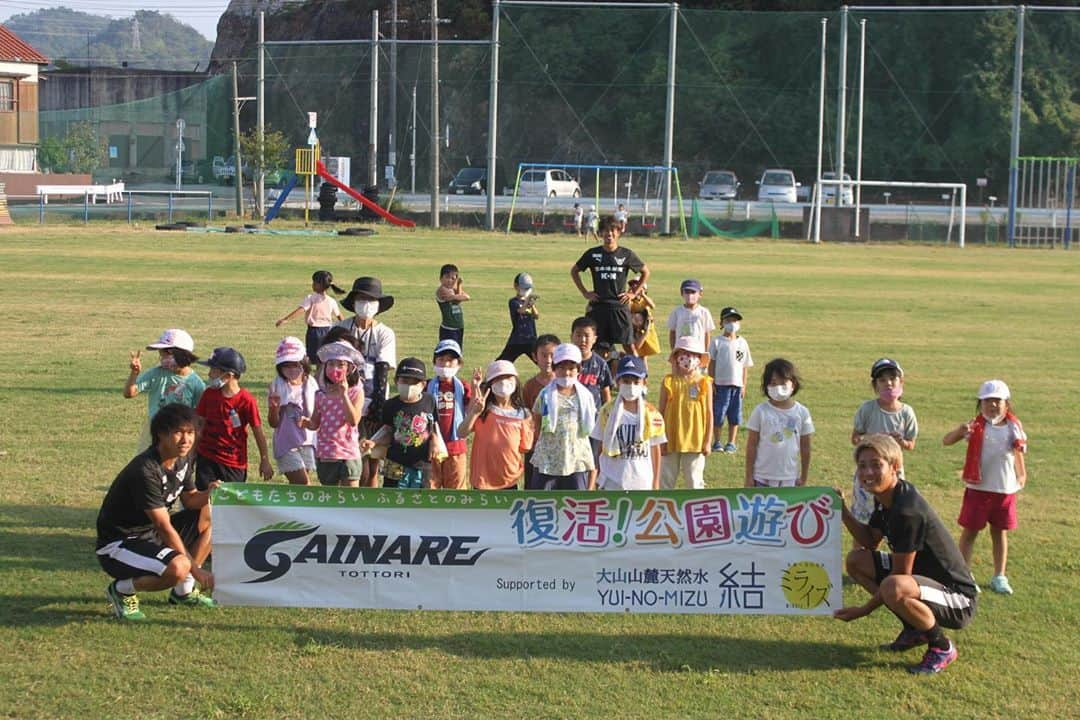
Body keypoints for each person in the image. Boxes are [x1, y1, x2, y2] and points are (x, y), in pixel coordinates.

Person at [834, 434, 977, 675]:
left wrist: (863, 610)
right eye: (862, 466)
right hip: (922, 582)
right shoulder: (886, 497)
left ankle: (941, 646)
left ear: (895, 467)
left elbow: (899, 577)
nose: (868, 472)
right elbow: (869, 541)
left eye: (876, 464)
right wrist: (843, 511)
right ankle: (914, 629)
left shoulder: (907, 510)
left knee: (894, 586)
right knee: (856, 561)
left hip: (957, 597)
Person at [96, 403, 217, 621]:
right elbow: (163, 525)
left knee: (211, 514)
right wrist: (196, 571)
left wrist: (211, 493)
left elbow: (190, 500)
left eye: (190, 432)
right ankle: (122, 589)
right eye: (178, 432)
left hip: (151, 534)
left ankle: (183, 592)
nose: (186, 439)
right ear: (161, 434)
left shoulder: (184, 458)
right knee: (179, 567)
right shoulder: (145, 469)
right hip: (120, 543)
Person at [942, 379, 1027, 595]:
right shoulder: (976, 427)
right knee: (970, 533)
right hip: (978, 490)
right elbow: (946, 441)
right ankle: (963, 575)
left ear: (1006, 403)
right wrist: (960, 431)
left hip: (1004, 490)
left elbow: (1017, 453)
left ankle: (1000, 575)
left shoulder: (1013, 428)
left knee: (1000, 533)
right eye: (987, 401)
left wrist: (1021, 474)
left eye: (997, 401)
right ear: (980, 404)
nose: (993, 406)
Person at [335, 276, 396, 487]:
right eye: (361, 299)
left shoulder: (384, 333)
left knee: (372, 463)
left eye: (371, 300)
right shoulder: (342, 328)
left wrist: (378, 407)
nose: (366, 304)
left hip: (375, 398)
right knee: (354, 461)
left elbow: (383, 368)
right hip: (348, 398)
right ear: (353, 302)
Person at [849, 358, 919, 523]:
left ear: (901, 382)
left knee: (893, 518)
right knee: (864, 519)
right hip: (868, 470)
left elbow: (911, 444)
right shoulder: (867, 409)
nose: (888, 383)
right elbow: (855, 438)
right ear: (875, 386)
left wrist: (901, 442)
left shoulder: (906, 412)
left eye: (893, 379)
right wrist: (869, 440)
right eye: (882, 380)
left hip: (894, 471)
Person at [194, 347, 273, 489]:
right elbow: (199, 424)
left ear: (228, 376)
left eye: (214, 370)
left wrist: (265, 460)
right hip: (206, 458)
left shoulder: (246, 400)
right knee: (205, 502)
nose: (209, 374)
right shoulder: (208, 394)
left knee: (231, 505)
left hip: (233, 463)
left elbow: (258, 431)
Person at [571, 215, 650, 352]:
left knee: (629, 346)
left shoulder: (626, 254)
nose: (609, 234)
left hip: (619, 307)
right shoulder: (593, 254)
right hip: (598, 307)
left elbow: (645, 272)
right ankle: (594, 373)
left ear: (618, 233)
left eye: (613, 230)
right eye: (606, 230)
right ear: (601, 233)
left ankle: (639, 373)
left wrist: (633, 293)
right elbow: (574, 271)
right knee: (595, 347)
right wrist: (585, 292)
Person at [361, 357, 443, 489]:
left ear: (423, 385)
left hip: (421, 464)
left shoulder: (429, 401)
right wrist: (374, 442)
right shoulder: (390, 405)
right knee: (392, 498)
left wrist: (435, 442)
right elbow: (387, 430)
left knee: (419, 500)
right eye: (405, 381)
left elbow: (433, 427)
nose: (409, 386)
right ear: (396, 381)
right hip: (394, 463)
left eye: (414, 382)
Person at [591, 355, 666, 490]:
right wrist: (597, 476)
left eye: (636, 381)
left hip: (641, 481)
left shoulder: (652, 414)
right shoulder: (607, 412)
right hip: (612, 481)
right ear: (617, 381)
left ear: (644, 383)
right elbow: (600, 447)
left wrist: (655, 482)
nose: (631, 386)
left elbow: (655, 449)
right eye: (626, 381)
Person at [124, 328, 205, 450]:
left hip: (181, 437)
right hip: (156, 433)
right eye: (161, 355)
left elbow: (200, 416)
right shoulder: (156, 373)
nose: (162, 359)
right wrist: (134, 373)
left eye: (165, 355)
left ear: (180, 354)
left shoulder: (196, 384)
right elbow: (129, 393)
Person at [459, 360, 534, 491]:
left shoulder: (523, 414)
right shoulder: (483, 411)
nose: (504, 382)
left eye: (508, 377)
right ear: (490, 384)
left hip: (509, 480)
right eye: (498, 378)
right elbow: (462, 432)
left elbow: (525, 447)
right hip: (483, 480)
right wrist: (475, 412)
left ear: (516, 381)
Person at [530, 343, 596, 490]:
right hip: (549, 458)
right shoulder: (545, 395)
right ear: (554, 369)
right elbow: (537, 421)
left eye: (571, 368)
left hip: (576, 458)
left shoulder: (586, 397)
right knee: (544, 502)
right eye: (561, 368)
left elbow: (590, 425)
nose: (566, 373)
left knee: (575, 505)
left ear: (578, 370)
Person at [744, 358, 813, 488]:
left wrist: (804, 476)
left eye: (783, 383)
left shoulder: (802, 412)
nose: (778, 388)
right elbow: (751, 445)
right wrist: (749, 476)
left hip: (789, 478)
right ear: (766, 385)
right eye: (774, 383)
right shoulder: (760, 411)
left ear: (793, 384)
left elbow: (805, 447)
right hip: (761, 477)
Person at [306, 340, 366, 487]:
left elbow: (353, 421)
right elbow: (315, 423)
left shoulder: (356, 392)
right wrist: (304, 422)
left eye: (341, 365)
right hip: (326, 454)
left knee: (350, 500)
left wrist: (344, 395)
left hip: (348, 454)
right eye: (331, 364)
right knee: (329, 500)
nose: (335, 369)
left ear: (350, 368)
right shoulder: (320, 395)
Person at [658, 336, 713, 489]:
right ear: (676, 358)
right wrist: (659, 440)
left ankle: (696, 511)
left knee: (694, 480)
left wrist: (707, 441)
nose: (687, 358)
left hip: (695, 441)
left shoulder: (704, 382)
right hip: (670, 439)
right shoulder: (668, 381)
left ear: (699, 359)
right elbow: (660, 411)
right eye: (683, 353)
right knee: (665, 480)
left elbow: (709, 413)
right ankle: (664, 509)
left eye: (692, 354)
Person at [266, 336, 318, 485]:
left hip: (307, 441)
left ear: (303, 363)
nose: (291, 370)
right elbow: (273, 423)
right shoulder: (277, 386)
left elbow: (316, 414)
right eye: (285, 366)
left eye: (295, 365)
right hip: (286, 443)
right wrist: (274, 409)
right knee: (303, 484)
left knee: (299, 487)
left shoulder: (311, 383)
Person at [572, 316, 615, 488]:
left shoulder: (600, 364)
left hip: (594, 422)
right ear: (571, 336)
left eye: (587, 336)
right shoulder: (566, 363)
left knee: (593, 457)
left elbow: (606, 394)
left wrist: (607, 420)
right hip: (571, 421)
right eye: (578, 335)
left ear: (594, 339)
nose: (582, 340)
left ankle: (590, 489)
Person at [426, 339, 472, 490]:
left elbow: (473, 409)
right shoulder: (427, 386)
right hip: (431, 446)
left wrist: (477, 388)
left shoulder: (463, 387)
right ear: (434, 362)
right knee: (430, 487)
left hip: (455, 446)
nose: (445, 365)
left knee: (456, 489)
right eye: (441, 360)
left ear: (459, 364)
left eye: (450, 361)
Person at [274, 270, 345, 367]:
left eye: (314, 282)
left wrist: (286, 319)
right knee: (323, 358)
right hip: (328, 331)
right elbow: (340, 316)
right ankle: (320, 378)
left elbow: (301, 310)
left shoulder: (311, 298)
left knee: (312, 357)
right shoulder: (331, 301)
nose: (312, 285)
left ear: (319, 284)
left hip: (314, 332)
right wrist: (346, 328)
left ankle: (308, 376)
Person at [708, 306, 753, 454]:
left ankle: (731, 442)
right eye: (728, 320)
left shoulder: (742, 343)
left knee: (735, 415)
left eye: (734, 321)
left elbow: (745, 366)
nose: (732, 324)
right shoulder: (717, 341)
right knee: (719, 414)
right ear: (722, 322)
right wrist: (711, 381)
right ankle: (717, 441)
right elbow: (711, 362)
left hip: (737, 385)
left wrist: (744, 385)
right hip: (721, 384)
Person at [521, 334, 560, 489]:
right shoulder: (530, 386)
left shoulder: (564, 383)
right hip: (536, 445)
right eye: (544, 355)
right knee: (534, 486)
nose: (549, 360)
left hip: (559, 445)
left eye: (553, 355)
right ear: (534, 357)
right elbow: (525, 416)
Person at [497, 272, 540, 363]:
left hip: (530, 339)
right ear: (516, 286)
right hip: (517, 339)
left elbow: (536, 315)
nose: (525, 291)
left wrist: (532, 305)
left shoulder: (528, 301)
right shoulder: (513, 302)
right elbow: (521, 310)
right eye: (524, 288)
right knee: (502, 362)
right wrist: (527, 301)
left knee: (541, 361)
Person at [667, 279, 715, 351]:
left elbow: (707, 334)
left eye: (693, 292)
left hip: (698, 350)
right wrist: (673, 350)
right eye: (687, 292)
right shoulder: (677, 311)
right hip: (681, 351)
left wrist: (706, 351)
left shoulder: (704, 312)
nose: (690, 295)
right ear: (682, 293)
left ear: (700, 294)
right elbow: (672, 332)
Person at [435, 263, 470, 347]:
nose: (450, 280)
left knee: (458, 353)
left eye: (453, 278)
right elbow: (463, 298)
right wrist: (457, 295)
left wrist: (459, 285)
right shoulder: (442, 290)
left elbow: (461, 299)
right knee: (448, 353)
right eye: (447, 277)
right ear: (441, 278)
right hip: (449, 329)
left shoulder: (453, 290)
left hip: (458, 328)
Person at [627, 279, 660, 361]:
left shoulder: (644, 300)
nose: (634, 288)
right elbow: (627, 309)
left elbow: (652, 306)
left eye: (637, 286)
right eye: (632, 286)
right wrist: (629, 296)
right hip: (636, 330)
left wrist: (643, 295)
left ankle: (644, 372)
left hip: (646, 328)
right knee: (637, 351)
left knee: (644, 355)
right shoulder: (631, 301)